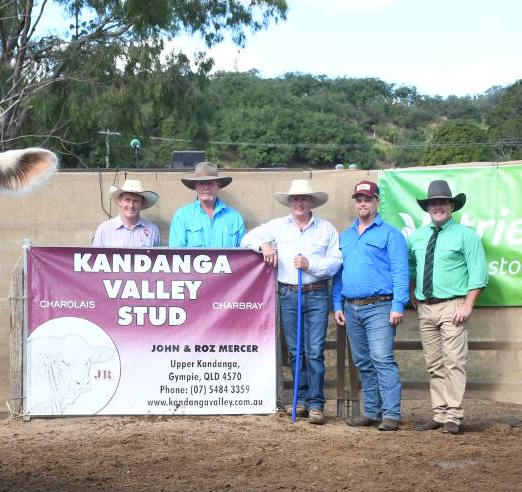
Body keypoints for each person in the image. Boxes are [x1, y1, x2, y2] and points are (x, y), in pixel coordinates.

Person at [242, 179, 342, 424]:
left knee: (315, 351)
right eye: (295, 198)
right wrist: (263, 244)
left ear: (311, 202)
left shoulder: (326, 229)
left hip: (317, 292)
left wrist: (311, 265)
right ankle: (301, 399)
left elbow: (335, 261)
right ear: (289, 202)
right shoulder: (278, 226)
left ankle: (316, 403)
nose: (299, 202)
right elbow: (247, 239)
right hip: (288, 292)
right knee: (297, 351)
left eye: (303, 198)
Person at [408, 180, 488, 435]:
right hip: (426, 308)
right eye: (433, 202)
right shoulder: (417, 237)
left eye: (442, 202)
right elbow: (411, 267)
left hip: (453, 305)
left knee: (454, 361)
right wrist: (412, 293)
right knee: (434, 363)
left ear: (452, 206)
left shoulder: (466, 236)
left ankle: (453, 415)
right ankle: (439, 413)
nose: (438, 206)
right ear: (428, 207)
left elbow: (478, 273)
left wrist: (467, 305)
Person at [332, 180, 410, 431]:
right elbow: (337, 273)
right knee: (363, 361)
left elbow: (400, 271)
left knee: (381, 358)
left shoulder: (391, 234)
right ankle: (372, 412)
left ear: (377, 202)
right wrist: (337, 303)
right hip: (351, 306)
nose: (362, 203)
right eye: (358, 199)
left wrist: (399, 304)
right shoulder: (345, 236)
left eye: (367, 198)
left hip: (380, 306)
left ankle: (391, 414)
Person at [169, 162, 245, 248]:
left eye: (210, 183)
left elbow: (244, 255)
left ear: (218, 186)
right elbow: (175, 255)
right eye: (201, 183)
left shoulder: (235, 217)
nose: (206, 188)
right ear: (195, 187)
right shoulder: (181, 216)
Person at [91, 179, 160, 247]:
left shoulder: (153, 230)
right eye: (127, 200)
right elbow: (94, 257)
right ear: (119, 201)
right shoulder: (104, 229)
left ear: (142, 203)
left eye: (136, 201)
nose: (131, 205)